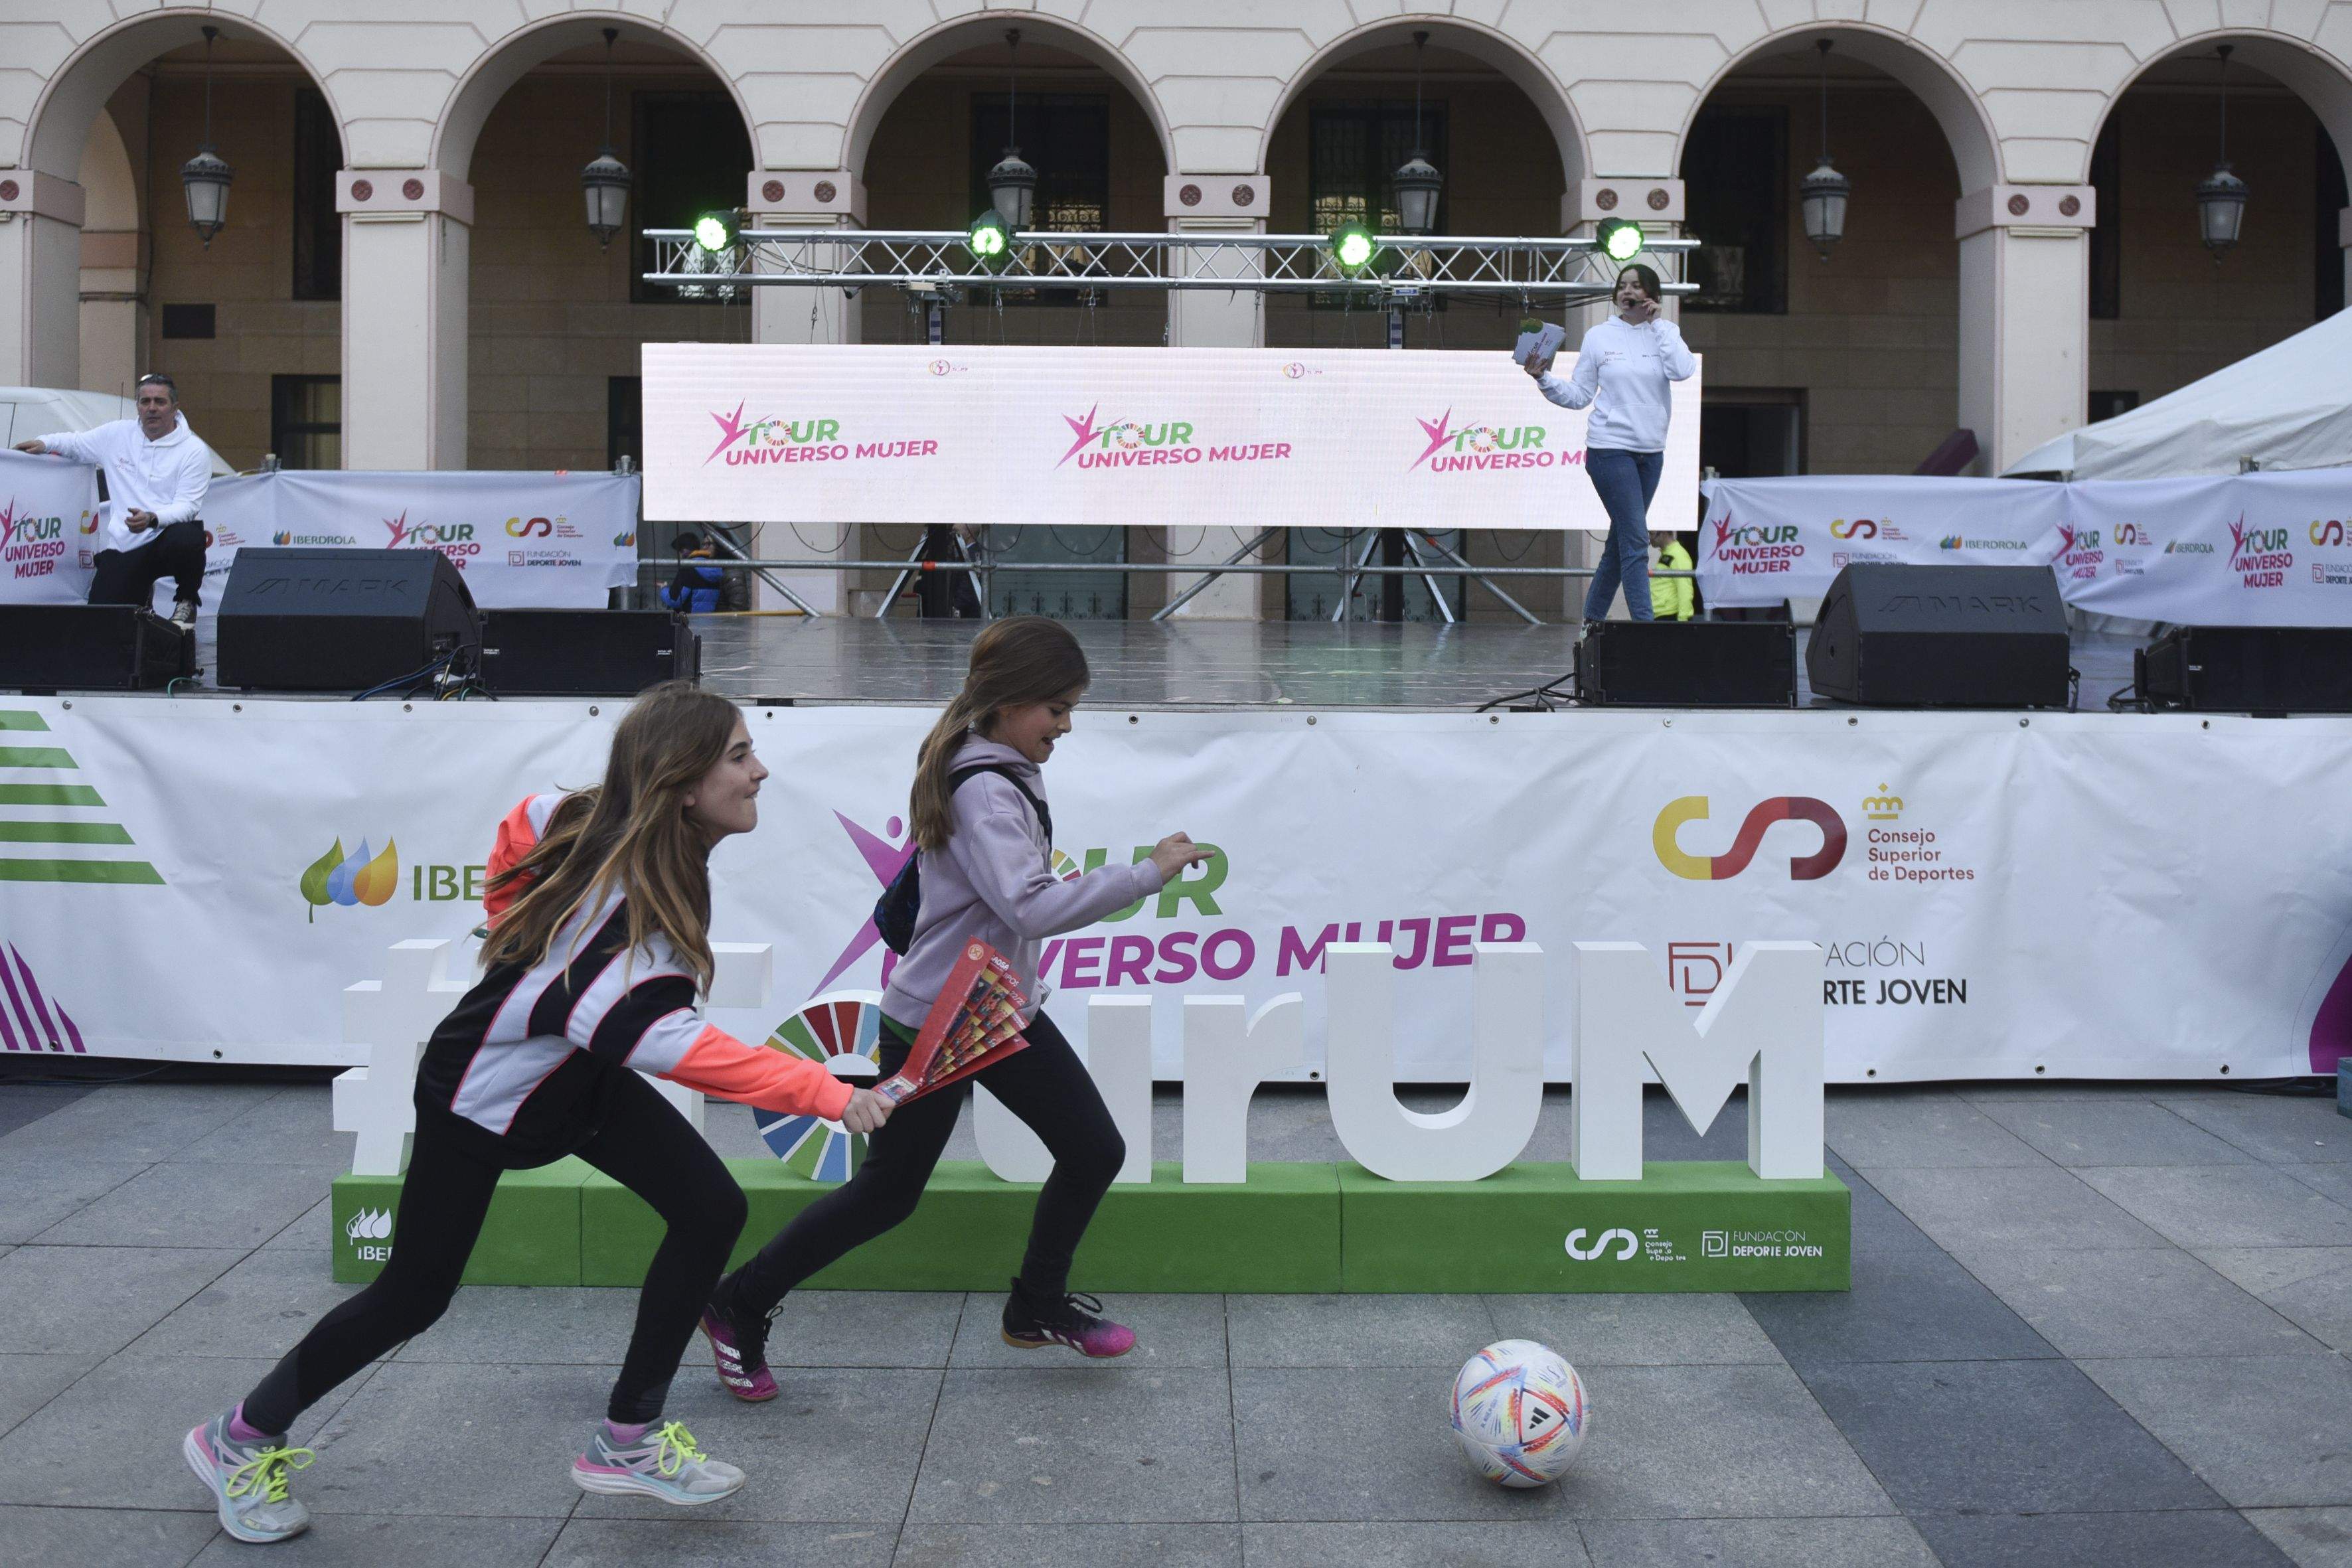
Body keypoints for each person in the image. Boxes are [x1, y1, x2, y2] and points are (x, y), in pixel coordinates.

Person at [181, 682, 892, 1546]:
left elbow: (524, 817)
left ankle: (627, 1438)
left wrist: (509, 924)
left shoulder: (616, 827)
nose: (759, 769)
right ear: (680, 781)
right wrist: (834, 1094)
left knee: (711, 1207)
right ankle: (239, 1436)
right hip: (481, 1097)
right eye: (739, 755)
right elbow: (680, 1048)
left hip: (576, 1082)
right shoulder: (623, 932)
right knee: (413, 1295)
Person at [700, 617, 1210, 1398]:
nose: (1066, 726)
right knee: (889, 1193)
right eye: (1057, 708)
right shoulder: (985, 787)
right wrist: (1147, 874)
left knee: (1091, 1150)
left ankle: (1036, 1304)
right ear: (1009, 704)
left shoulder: (992, 765)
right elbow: (1031, 906)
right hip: (942, 1021)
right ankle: (736, 1301)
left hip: (992, 1008)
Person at [1524, 265, 1697, 624]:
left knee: (1619, 549)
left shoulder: (1665, 333)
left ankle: (1591, 626)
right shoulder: (1599, 336)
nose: (1627, 292)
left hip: (1651, 453)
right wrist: (1543, 378)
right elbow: (1580, 395)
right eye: (1622, 286)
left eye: (1636, 286)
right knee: (1635, 540)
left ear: (1652, 295)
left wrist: (1659, 325)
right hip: (1609, 449)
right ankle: (1644, 631)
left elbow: (1682, 371)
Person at [13, 372, 212, 625]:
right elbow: (75, 443)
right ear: (137, 406)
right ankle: (141, 594)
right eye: (145, 401)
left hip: (165, 538)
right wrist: (43, 442)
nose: (152, 408)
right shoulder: (117, 434)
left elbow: (188, 506)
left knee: (189, 536)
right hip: (125, 545)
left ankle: (187, 601)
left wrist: (153, 519)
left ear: (175, 407)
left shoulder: (194, 450)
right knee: (102, 620)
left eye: (160, 402)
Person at [662, 530, 724, 613]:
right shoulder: (714, 567)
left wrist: (664, 589)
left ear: (684, 551)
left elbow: (675, 601)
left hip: (691, 622)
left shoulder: (687, 569)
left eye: (679, 553)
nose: (679, 557)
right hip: (711, 622)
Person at [1651, 530, 1695, 622]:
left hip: (1668, 615)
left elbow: (1685, 588)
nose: (1650, 538)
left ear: (1663, 533)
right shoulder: (1669, 554)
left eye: (1652, 534)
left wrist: (1683, 619)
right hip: (1662, 614)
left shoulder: (1678, 555)